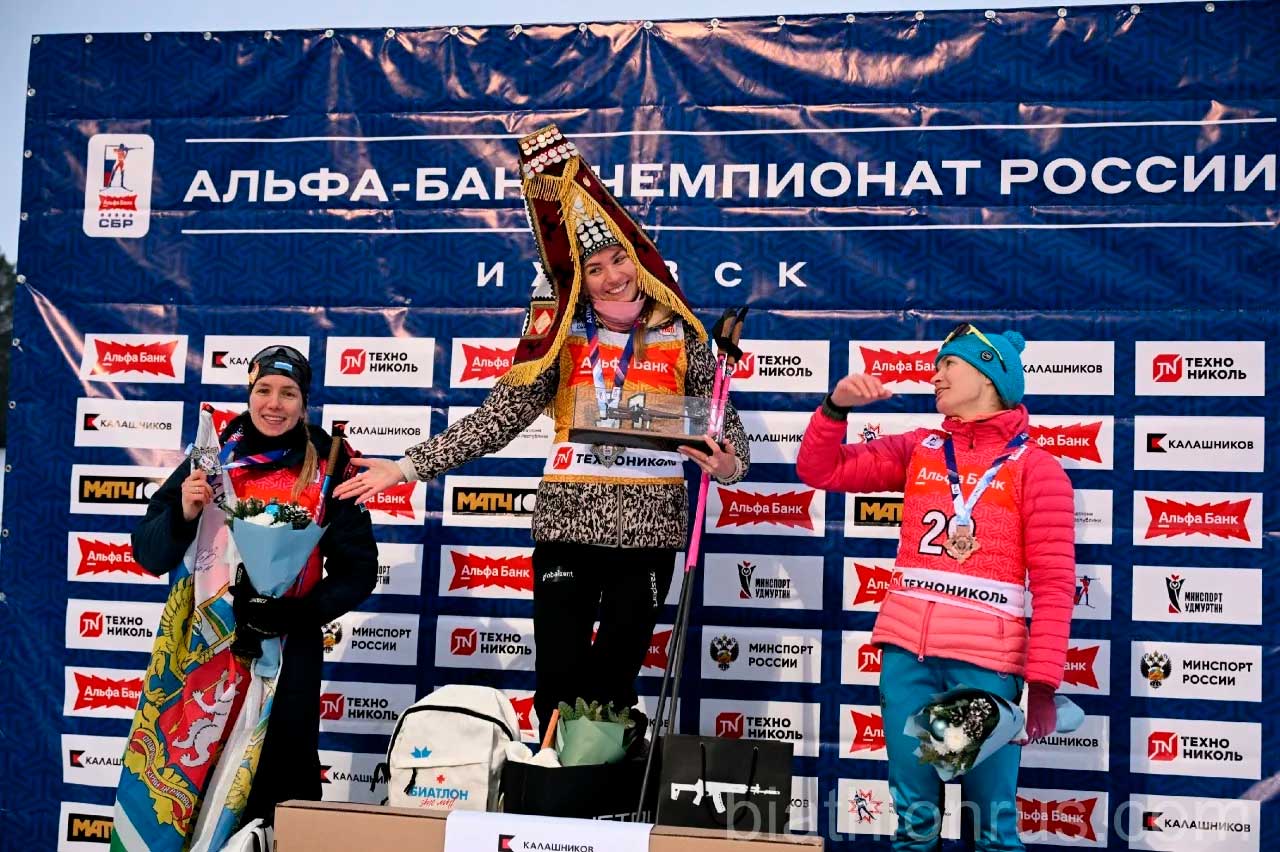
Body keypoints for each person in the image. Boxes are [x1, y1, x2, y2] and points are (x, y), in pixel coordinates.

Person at [334, 124, 750, 739]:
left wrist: (728, 464)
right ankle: (547, 792)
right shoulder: (560, 335)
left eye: (619, 259)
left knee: (614, 687)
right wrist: (406, 466)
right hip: (568, 528)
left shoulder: (683, 331)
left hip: (651, 534)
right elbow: (498, 418)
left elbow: (727, 432)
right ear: (578, 274)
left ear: (638, 257)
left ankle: (598, 796)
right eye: (595, 267)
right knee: (558, 684)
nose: (613, 277)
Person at [796, 325, 1074, 851]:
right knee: (916, 825)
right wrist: (835, 409)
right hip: (909, 660)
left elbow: (1056, 584)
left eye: (950, 364)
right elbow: (820, 469)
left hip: (984, 666)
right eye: (936, 365)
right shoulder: (921, 449)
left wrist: (1042, 686)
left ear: (990, 377)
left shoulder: (1036, 469)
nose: (935, 375)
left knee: (991, 829)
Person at [114, 345, 377, 849]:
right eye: (264, 390)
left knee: (279, 792)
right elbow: (148, 552)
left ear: (304, 402)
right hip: (201, 658)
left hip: (286, 657)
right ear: (249, 393)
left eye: (288, 393)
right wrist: (183, 514)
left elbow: (359, 569)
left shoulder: (330, 464)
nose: (274, 404)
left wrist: (295, 613)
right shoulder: (213, 458)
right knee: (188, 791)